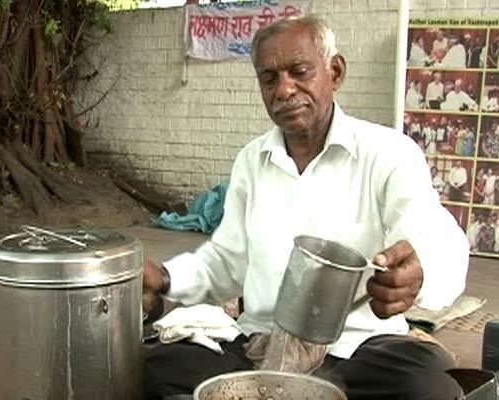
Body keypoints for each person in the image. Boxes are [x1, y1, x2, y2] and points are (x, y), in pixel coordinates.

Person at [142, 17, 469, 400]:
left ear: (335, 72)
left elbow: (439, 239)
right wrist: (165, 278)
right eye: (269, 78)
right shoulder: (252, 161)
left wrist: (420, 273)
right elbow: (228, 262)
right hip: (259, 346)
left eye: (299, 72)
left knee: (431, 386)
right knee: (154, 369)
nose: (284, 89)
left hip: (359, 348)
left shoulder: (388, 154)